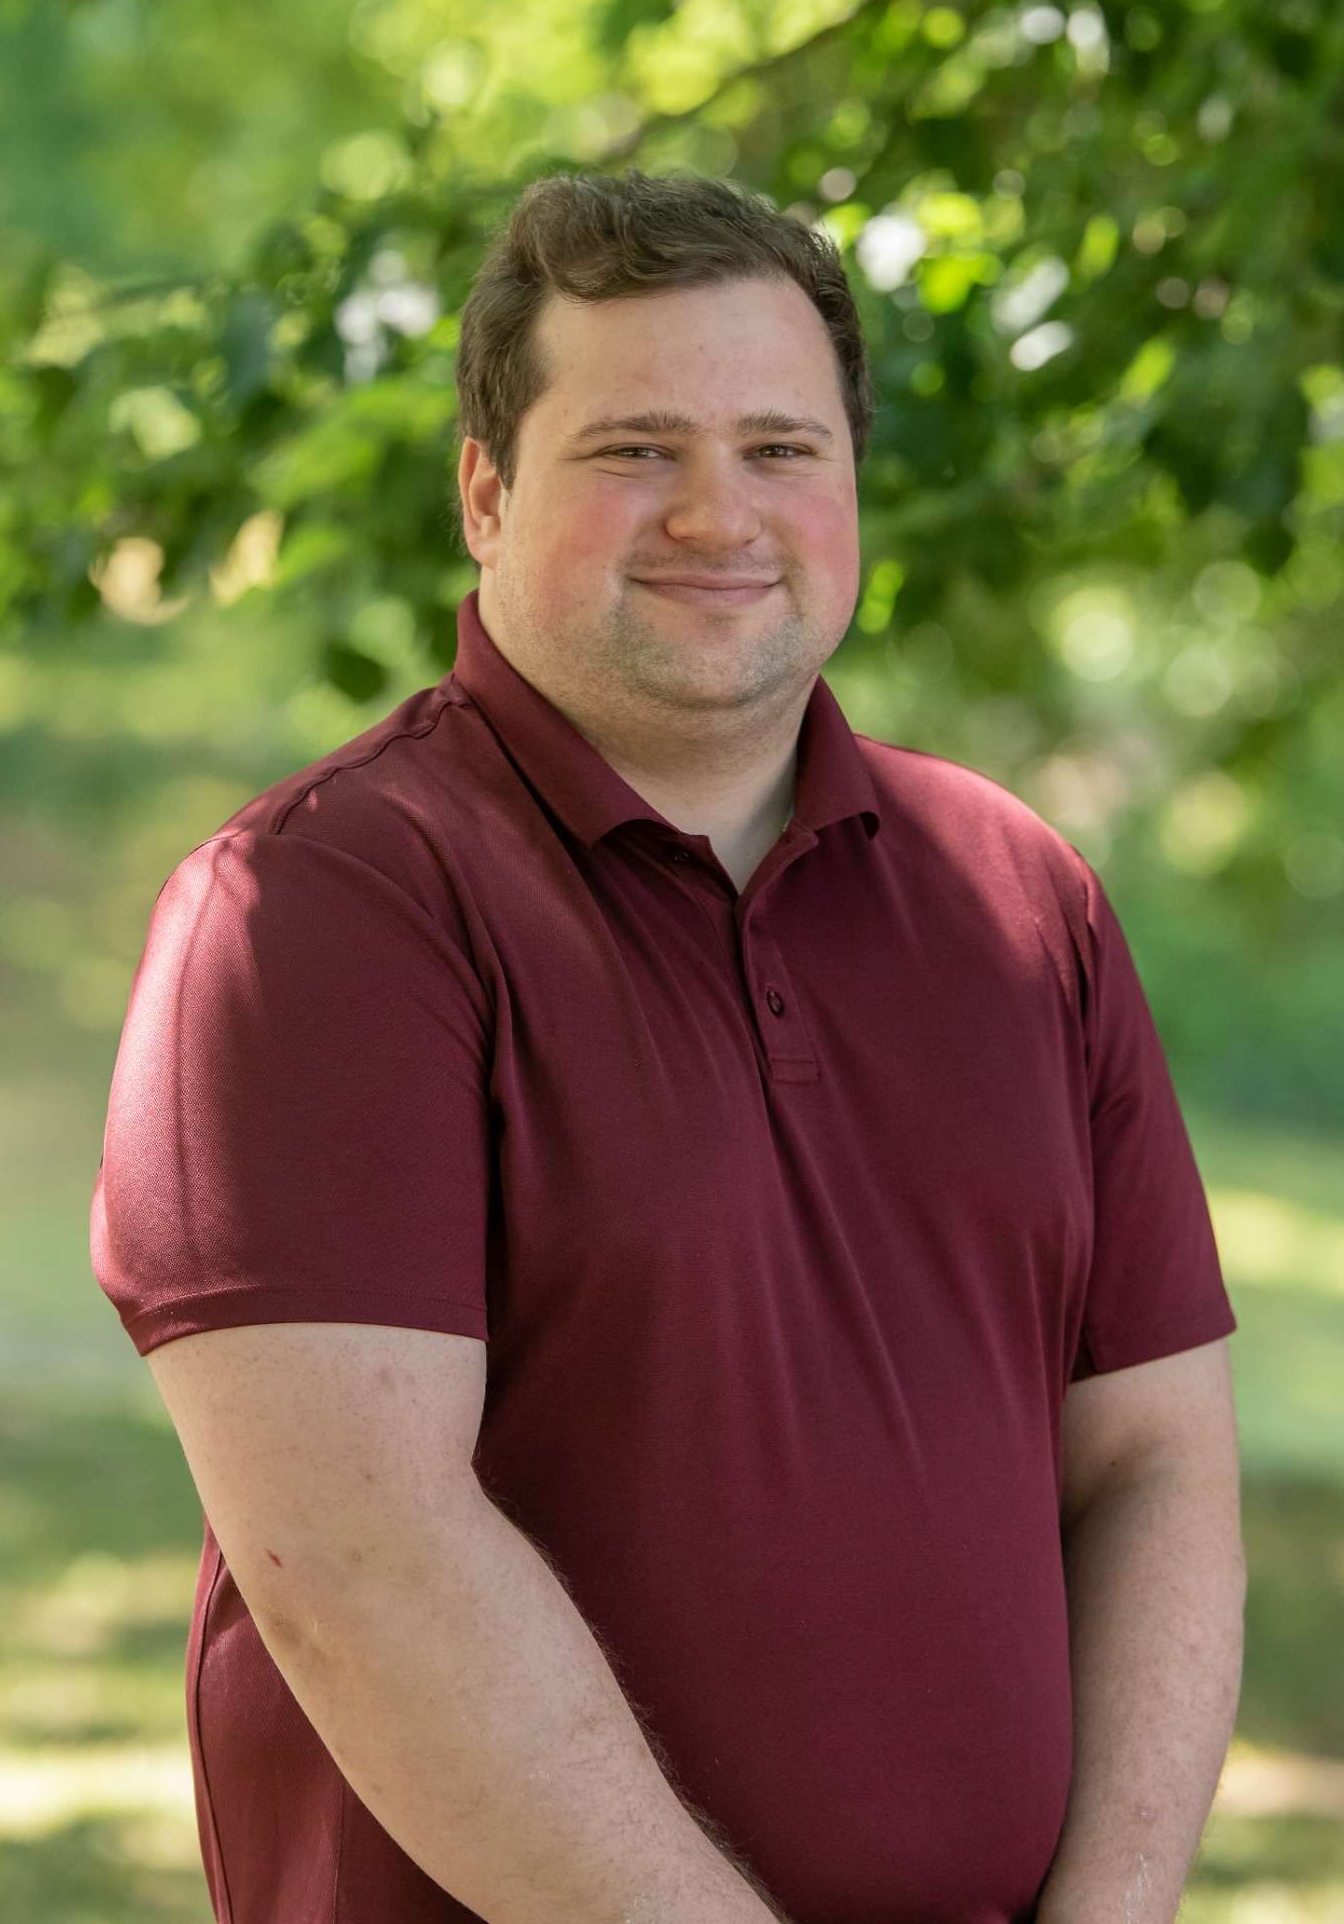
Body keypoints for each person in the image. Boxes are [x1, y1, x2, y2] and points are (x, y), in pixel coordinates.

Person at [90, 168, 1245, 1924]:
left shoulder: (1021, 900)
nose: (720, 513)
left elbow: (1154, 1461)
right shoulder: (317, 910)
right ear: (485, 493)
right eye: (635, 448)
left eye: (779, 448)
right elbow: (358, 1562)